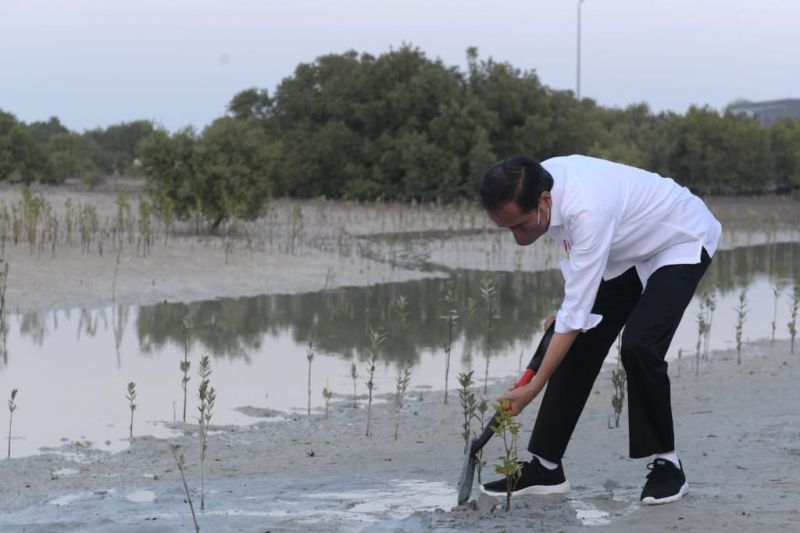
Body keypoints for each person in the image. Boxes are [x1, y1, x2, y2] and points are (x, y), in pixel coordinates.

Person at [477, 154, 721, 505]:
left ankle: (668, 465)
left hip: (679, 237)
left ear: (545, 201)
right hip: (626, 247)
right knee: (576, 338)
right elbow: (577, 282)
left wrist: (532, 387)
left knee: (640, 344)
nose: (517, 237)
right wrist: (566, 315)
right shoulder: (535, 181)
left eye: (520, 226)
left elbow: (576, 309)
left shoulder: (588, 208)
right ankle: (545, 468)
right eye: (507, 227)